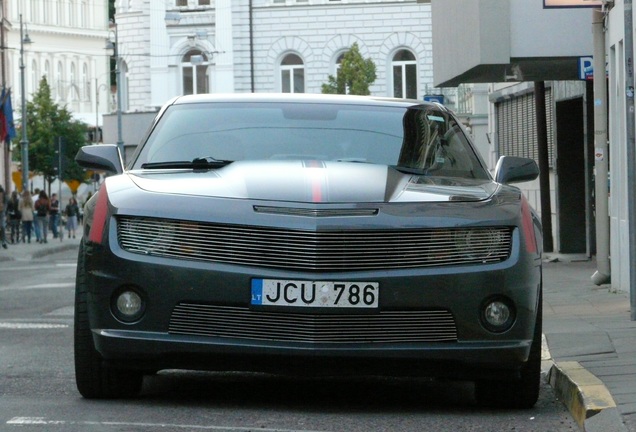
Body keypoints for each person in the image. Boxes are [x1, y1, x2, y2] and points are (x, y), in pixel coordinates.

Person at [0, 184, 7, 249]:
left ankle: (3, 241)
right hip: (2, 210)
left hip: (1, 211)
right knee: (2, 226)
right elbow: (5, 202)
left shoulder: (2, 192)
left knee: (2, 226)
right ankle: (3, 242)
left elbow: (5, 202)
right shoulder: (3, 192)